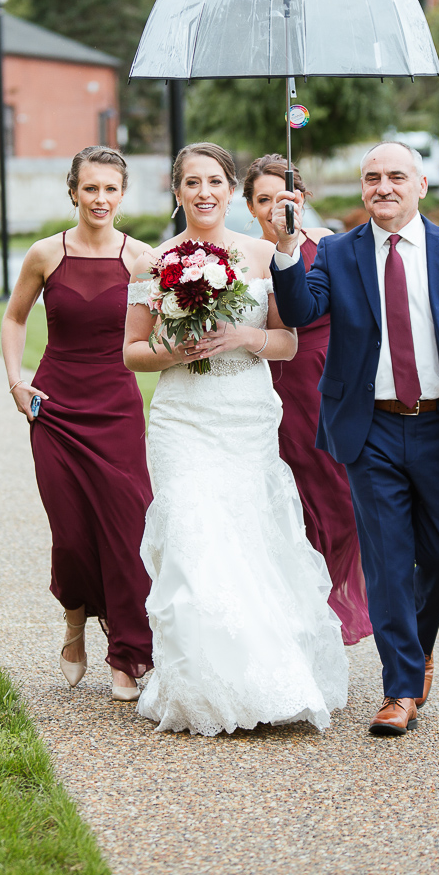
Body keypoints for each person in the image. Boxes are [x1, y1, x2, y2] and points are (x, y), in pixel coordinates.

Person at [270, 140, 439, 738]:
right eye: (372, 178)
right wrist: (286, 248)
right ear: (361, 189)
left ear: (421, 185)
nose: (383, 187)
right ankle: (400, 689)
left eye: (396, 177)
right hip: (370, 426)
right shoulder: (336, 251)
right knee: (385, 561)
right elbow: (302, 312)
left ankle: (418, 641)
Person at [123, 142, 347, 736]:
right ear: (176, 192)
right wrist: (177, 349)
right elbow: (132, 352)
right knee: (193, 529)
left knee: (250, 536)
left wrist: (239, 339)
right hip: (182, 418)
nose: (204, 193)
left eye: (215, 182)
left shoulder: (261, 254)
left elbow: (288, 343)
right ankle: (199, 683)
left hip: (245, 412)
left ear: (230, 191)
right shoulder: (153, 262)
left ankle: (265, 674)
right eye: (191, 183)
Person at [1, 146, 155, 702]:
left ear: (123, 194)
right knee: (70, 535)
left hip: (116, 406)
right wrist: (17, 380)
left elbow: (157, 336)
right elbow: (15, 316)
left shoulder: (142, 259)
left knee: (125, 529)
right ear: (73, 192)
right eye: (90, 188)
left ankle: (125, 652)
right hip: (56, 405)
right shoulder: (45, 254)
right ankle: (74, 620)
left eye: (110, 189)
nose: (100, 199)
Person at [245, 155, 372, 645]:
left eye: (283, 196)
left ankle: (338, 595)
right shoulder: (246, 255)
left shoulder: (332, 246)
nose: (274, 206)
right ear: (251, 207)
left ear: (301, 197)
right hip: (266, 381)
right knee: (286, 495)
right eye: (262, 199)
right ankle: (296, 601)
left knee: (337, 495)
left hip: (323, 378)